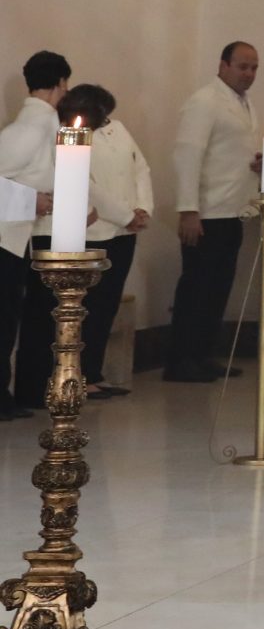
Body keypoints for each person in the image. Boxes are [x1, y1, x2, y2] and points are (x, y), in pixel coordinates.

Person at [166, 43, 261, 382]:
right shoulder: (204, 101)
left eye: (253, 68)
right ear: (223, 65)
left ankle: (203, 353)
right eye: (242, 66)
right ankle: (181, 360)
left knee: (218, 287)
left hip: (233, 209)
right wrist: (188, 209)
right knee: (197, 286)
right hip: (206, 211)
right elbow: (187, 155)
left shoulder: (242, 102)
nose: (248, 74)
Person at [51, 84, 149, 397]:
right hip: (98, 230)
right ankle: (78, 374)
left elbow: (140, 168)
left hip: (125, 232)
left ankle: (94, 371)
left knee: (109, 304)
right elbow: (87, 184)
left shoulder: (118, 129)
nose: (106, 119)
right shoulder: (72, 134)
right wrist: (124, 214)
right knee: (90, 305)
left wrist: (143, 208)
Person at [0, 52, 74, 420]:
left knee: (9, 320)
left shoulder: (42, 124)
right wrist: (33, 200)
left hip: (16, 238)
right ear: (61, 83)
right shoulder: (28, 129)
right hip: (4, 239)